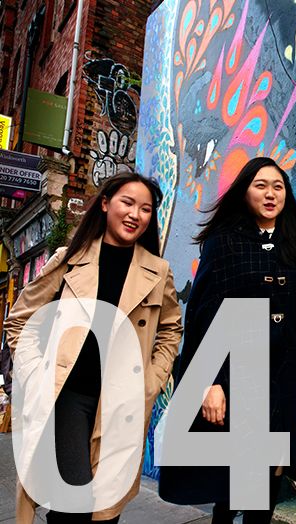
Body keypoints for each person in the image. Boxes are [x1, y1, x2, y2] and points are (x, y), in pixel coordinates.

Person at [4, 171, 183, 523]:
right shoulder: (69, 259)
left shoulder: (158, 271)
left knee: (105, 510)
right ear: (105, 204)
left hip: (121, 404)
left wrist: (152, 381)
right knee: (76, 502)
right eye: (127, 203)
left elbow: (171, 329)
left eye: (145, 209)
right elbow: (20, 320)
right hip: (67, 396)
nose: (135, 214)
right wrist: (36, 372)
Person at [158, 157, 296, 523]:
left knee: (270, 469)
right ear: (245, 192)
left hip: (286, 373)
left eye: (278, 187)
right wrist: (210, 382)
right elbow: (204, 315)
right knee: (235, 472)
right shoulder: (223, 243)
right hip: (238, 372)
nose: (270, 194)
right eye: (260, 185)